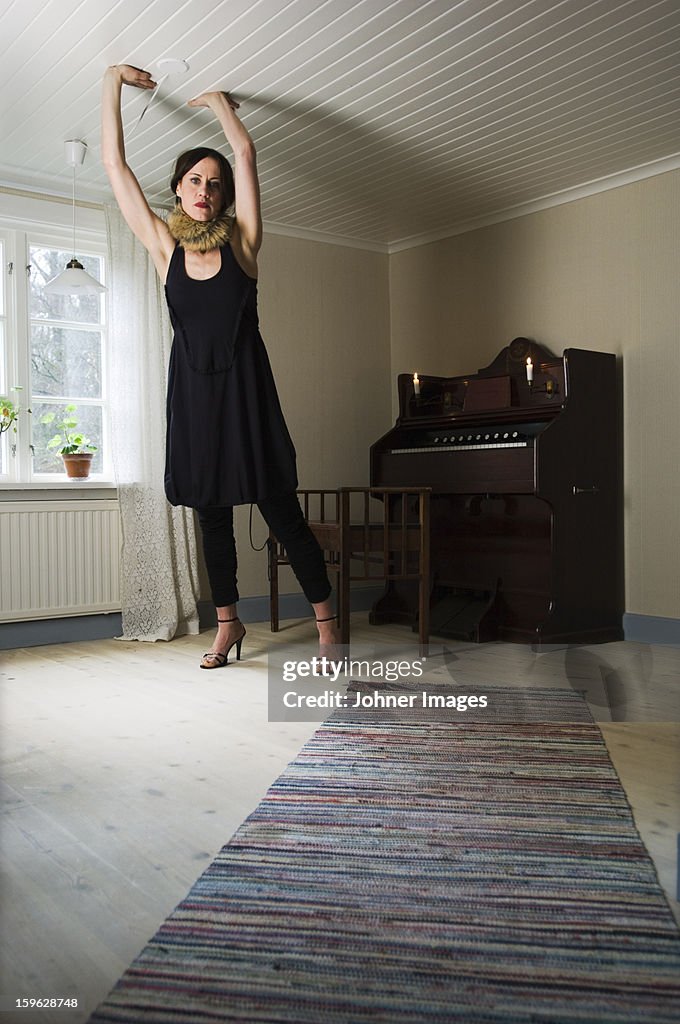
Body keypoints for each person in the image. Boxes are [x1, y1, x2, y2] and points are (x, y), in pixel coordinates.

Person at [102, 64, 338, 668]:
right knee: (212, 518)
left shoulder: (244, 245)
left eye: (214, 182)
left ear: (223, 195)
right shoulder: (164, 249)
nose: (205, 189)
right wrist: (112, 83)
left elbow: (246, 153)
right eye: (194, 180)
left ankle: (329, 629)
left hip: (246, 396)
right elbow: (115, 170)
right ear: (178, 189)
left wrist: (222, 106)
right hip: (195, 400)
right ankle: (228, 626)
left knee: (282, 512)